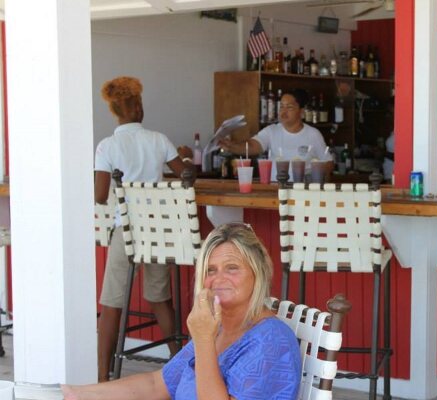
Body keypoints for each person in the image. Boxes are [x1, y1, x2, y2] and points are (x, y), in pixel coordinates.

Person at [62, 223, 302, 400]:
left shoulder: (271, 340)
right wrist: (77, 393)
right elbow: (157, 384)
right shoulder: (218, 327)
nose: (219, 279)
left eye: (232, 268)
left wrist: (203, 340)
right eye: (210, 270)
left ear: (257, 272)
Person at [94, 76, 193, 382]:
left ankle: (102, 376)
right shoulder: (158, 140)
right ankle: (180, 369)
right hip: (157, 231)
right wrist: (186, 155)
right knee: (160, 299)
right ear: (137, 107)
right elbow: (187, 174)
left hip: (125, 231)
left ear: (114, 111)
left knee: (112, 303)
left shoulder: (107, 146)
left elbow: (99, 196)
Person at [219, 88, 333, 181]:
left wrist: (316, 173)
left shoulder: (313, 134)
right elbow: (253, 146)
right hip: (276, 193)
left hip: (303, 196)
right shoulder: (271, 131)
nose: (283, 112)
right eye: (281, 107)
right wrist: (231, 146)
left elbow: (329, 162)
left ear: (301, 112)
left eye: (289, 107)